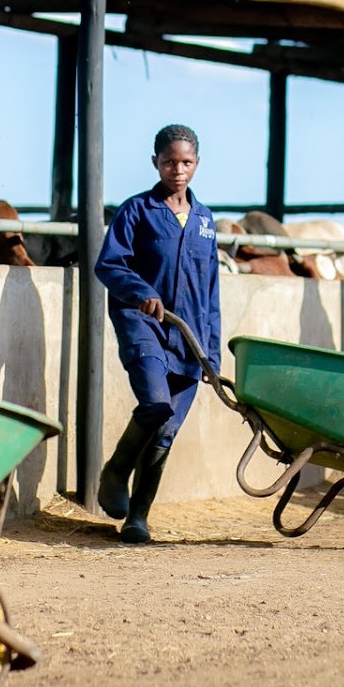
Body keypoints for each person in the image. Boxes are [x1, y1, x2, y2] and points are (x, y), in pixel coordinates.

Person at [93, 124, 221, 544]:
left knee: (166, 432)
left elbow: (210, 291)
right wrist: (142, 293)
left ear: (197, 164)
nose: (177, 169)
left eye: (185, 162)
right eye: (169, 162)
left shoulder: (204, 221)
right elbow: (109, 265)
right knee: (155, 405)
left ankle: (137, 517)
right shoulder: (137, 210)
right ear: (155, 163)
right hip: (144, 324)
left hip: (189, 337)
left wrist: (211, 354)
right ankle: (115, 473)